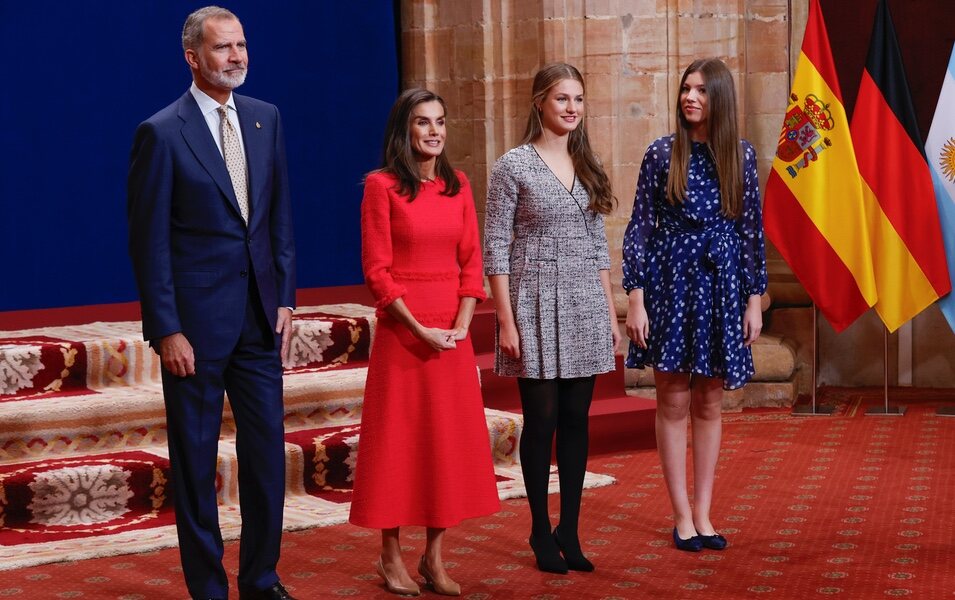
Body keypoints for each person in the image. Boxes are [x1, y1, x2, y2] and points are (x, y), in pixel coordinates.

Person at [127, 6, 297, 599]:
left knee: (268, 461)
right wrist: (166, 328)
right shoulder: (162, 131)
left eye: (242, 45)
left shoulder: (265, 118)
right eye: (224, 48)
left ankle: (261, 577)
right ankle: (208, 587)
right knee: (196, 468)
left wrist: (286, 299)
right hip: (194, 333)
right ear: (193, 57)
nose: (238, 57)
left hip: (259, 322)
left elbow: (277, 218)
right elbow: (148, 243)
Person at [349, 88, 500, 597]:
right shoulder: (381, 186)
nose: (434, 131)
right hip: (404, 333)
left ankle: (434, 557)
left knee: (446, 446)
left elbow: (471, 263)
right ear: (404, 130)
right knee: (398, 445)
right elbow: (378, 271)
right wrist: (420, 330)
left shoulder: (458, 185)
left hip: (450, 335)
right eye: (422, 122)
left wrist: (459, 327)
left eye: (440, 121)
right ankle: (389, 553)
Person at [622, 57, 767, 552]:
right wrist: (635, 299)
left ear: (719, 98)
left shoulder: (741, 157)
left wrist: (755, 300)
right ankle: (680, 513)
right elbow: (639, 228)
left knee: (709, 399)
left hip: (722, 285)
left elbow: (751, 233)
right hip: (670, 282)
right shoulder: (661, 154)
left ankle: (705, 512)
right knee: (674, 397)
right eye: (686, 89)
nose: (690, 97)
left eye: (701, 91)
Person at [483, 63, 620, 574]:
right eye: (562, 98)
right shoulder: (512, 166)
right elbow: (495, 247)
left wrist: (610, 315)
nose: (571, 108)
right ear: (540, 101)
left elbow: (598, 246)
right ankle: (541, 528)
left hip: (585, 301)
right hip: (534, 303)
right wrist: (506, 320)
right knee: (540, 422)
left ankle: (571, 528)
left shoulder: (588, 163)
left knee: (576, 422)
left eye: (578, 99)